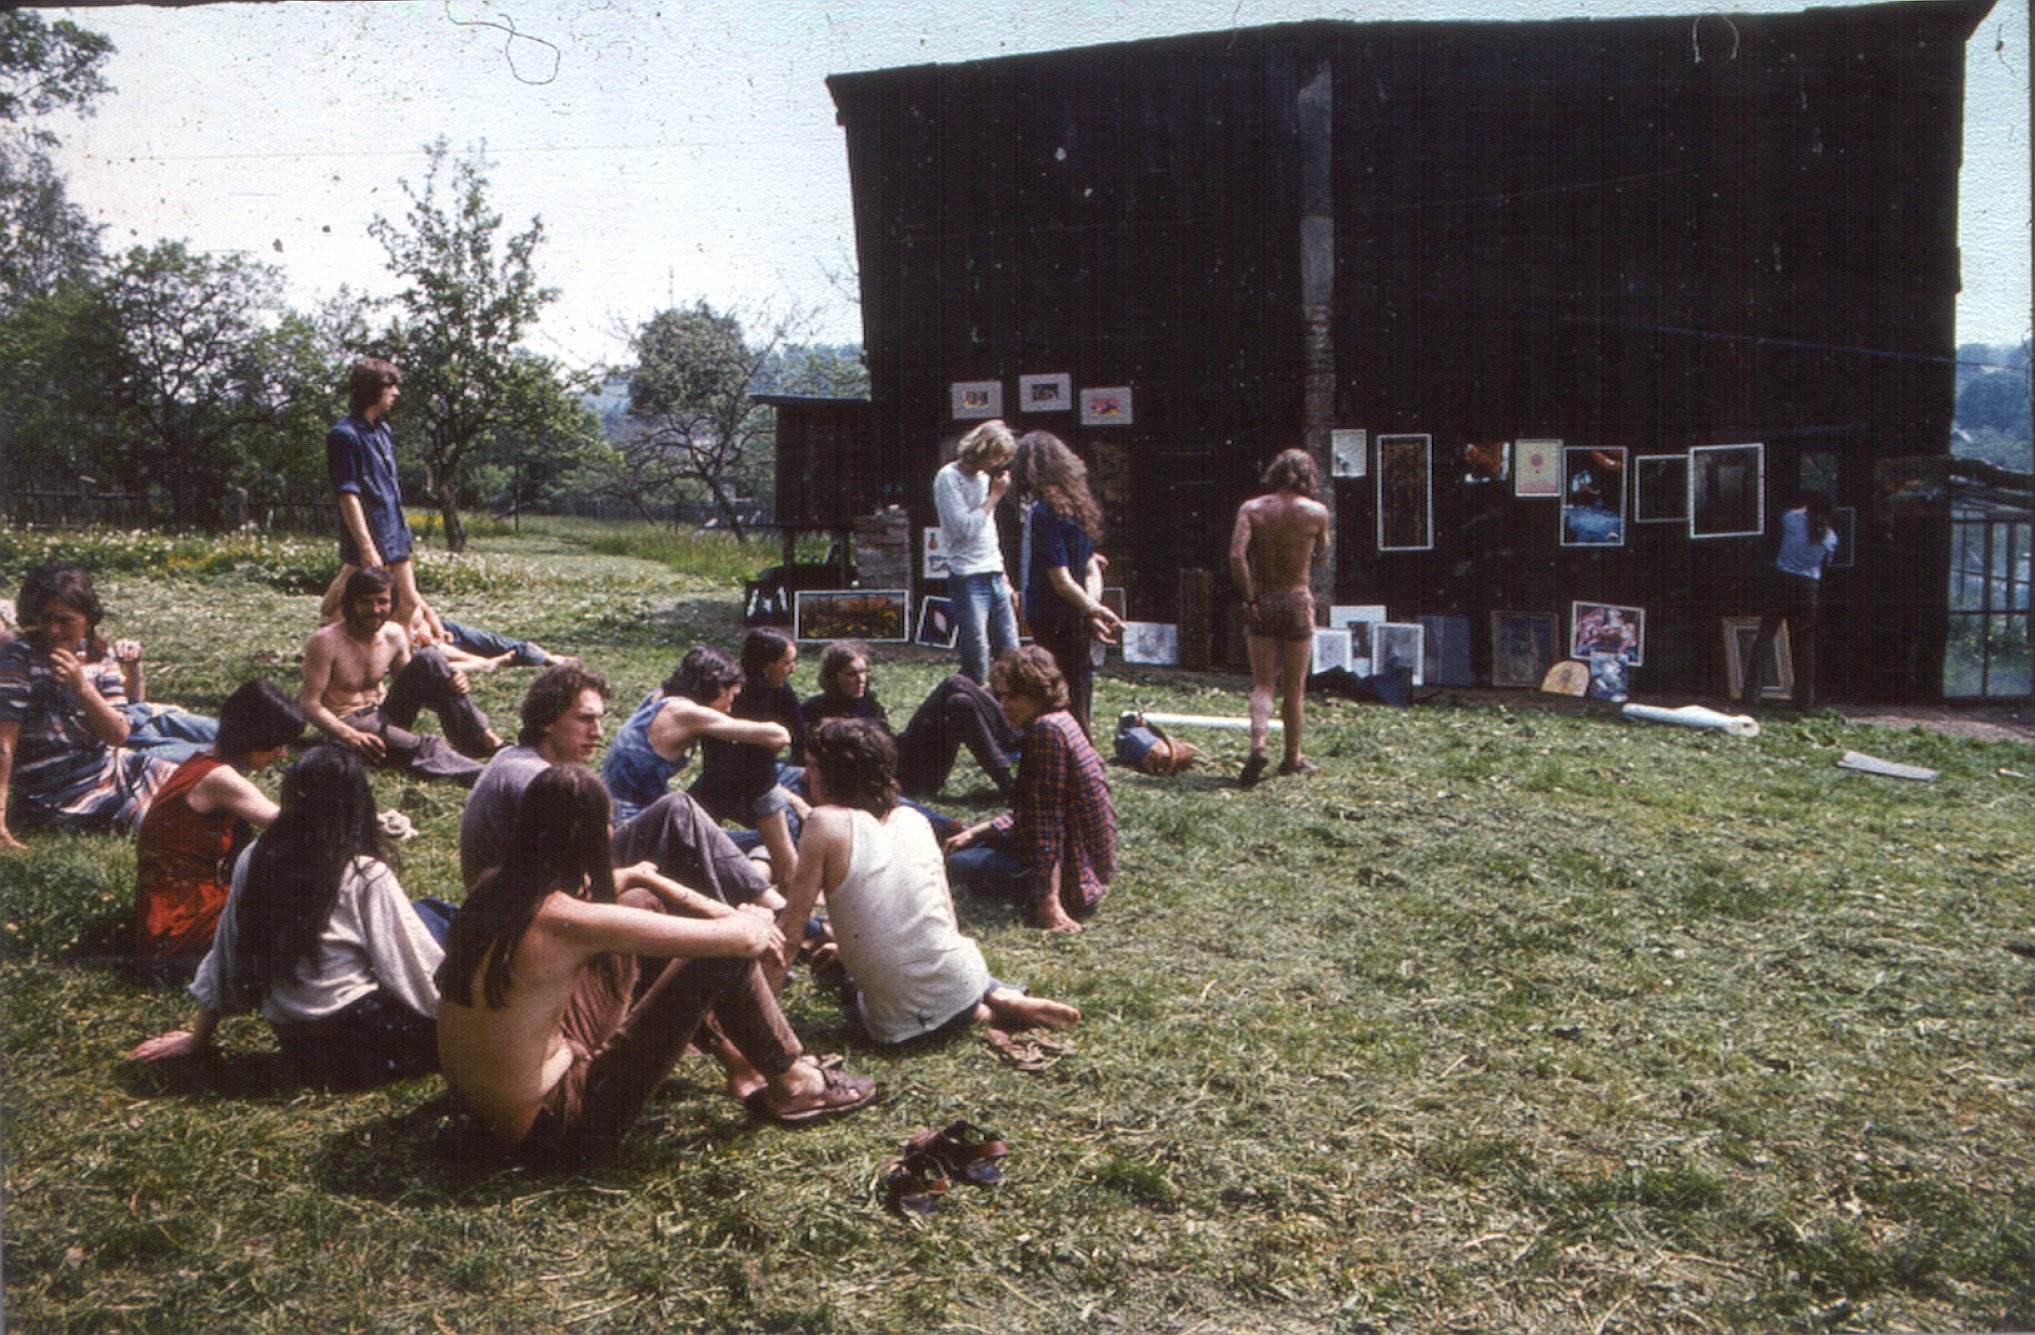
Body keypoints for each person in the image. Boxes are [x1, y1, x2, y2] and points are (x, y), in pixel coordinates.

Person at [436, 764, 879, 1165]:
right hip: (556, 1131)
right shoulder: (568, 921)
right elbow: (742, 940)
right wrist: (752, 919)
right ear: (594, 837)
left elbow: (618, 890)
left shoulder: (494, 890)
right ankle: (796, 1083)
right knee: (720, 957)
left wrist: (648, 877)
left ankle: (741, 1061)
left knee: (639, 901)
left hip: (488, 1114)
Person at [126, 747, 453, 1089]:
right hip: (361, 1042)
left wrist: (198, 1037)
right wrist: (459, 1023)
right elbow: (408, 965)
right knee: (440, 921)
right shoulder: (364, 872)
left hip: (297, 1044)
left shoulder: (256, 857)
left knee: (429, 912)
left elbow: (227, 949)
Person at [777, 718, 1080, 1042]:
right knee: (935, 966)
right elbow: (943, 920)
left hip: (901, 1023)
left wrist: (762, 1017)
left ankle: (988, 1013)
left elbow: (792, 932)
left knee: (846, 983)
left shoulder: (823, 823)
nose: (806, 777)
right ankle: (1002, 997)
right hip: (963, 977)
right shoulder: (914, 819)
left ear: (834, 774)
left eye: (811, 766)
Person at [132, 679, 305, 977]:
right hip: (177, 927)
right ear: (254, 740)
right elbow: (294, 827)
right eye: (276, 745)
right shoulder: (221, 780)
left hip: (161, 913)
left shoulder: (201, 761)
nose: (282, 754)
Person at [0, 563, 179, 849]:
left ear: (87, 619)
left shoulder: (97, 654)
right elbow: (4, 742)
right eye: (44, 619)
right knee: (174, 822)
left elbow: (118, 734)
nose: (53, 630)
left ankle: (273, 829)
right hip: (56, 792)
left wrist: (82, 687)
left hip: (110, 769)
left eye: (65, 620)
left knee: (208, 783)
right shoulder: (19, 657)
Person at [944, 646, 1116, 934]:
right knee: (951, 831)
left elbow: (1047, 826)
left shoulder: (1047, 732)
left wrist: (1049, 902)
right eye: (1001, 696)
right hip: (1083, 861)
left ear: (1038, 693)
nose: (1004, 704)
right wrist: (980, 831)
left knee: (944, 859)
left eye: (1014, 696)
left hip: (1075, 876)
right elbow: (1036, 810)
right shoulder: (1061, 720)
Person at [299, 566, 496, 785]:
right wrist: (348, 735)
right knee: (424, 746)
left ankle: (478, 741)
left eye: (382, 602)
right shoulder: (326, 641)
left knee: (430, 658)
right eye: (366, 602)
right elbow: (309, 704)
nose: (375, 610)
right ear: (351, 603)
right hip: (349, 721)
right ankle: (491, 778)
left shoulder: (393, 634)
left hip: (385, 712)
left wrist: (450, 682)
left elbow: (413, 683)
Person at [318, 357, 443, 639]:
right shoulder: (344, 435)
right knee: (345, 605)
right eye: (391, 386)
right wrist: (366, 547)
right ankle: (340, 648)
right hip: (369, 533)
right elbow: (347, 494)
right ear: (372, 389)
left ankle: (390, 657)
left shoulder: (383, 431)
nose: (396, 393)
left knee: (408, 603)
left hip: (394, 530)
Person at [1228, 448, 1332, 787]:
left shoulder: (1253, 508)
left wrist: (1249, 597)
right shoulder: (1317, 512)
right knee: (1295, 688)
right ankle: (1293, 758)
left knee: (1262, 683)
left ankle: (1258, 745)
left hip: (1263, 599)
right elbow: (1321, 557)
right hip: (1297, 599)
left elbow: (1235, 556)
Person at [1012, 430, 1123, 736]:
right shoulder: (1078, 506)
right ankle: (1083, 745)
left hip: (1050, 613)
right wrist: (1092, 609)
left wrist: (1093, 611)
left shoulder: (1043, 513)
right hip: (1075, 612)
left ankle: (1067, 749)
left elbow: (1060, 580)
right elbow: (1090, 568)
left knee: (1056, 688)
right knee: (1080, 682)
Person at [688, 631, 810, 886]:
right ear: (766, 666)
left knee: (803, 794)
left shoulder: (779, 688)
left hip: (766, 776)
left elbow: (801, 738)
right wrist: (791, 798)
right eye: (787, 663)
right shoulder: (730, 697)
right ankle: (760, 871)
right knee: (792, 825)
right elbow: (725, 767)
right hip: (736, 783)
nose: (793, 669)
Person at [934, 419, 1021, 683]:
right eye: (997, 457)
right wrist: (994, 497)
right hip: (968, 574)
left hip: (993, 570)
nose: (999, 465)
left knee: (1011, 647)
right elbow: (965, 528)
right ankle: (977, 705)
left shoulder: (983, 478)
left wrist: (1004, 574)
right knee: (977, 652)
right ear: (983, 451)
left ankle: (1009, 702)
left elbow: (987, 530)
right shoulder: (949, 478)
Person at [1742, 491, 1839, 710]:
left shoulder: (1793, 520)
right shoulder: (1830, 537)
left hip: (1782, 582)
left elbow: (1790, 513)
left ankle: (1752, 693)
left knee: (1765, 637)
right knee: (1805, 644)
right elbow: (1828, 562)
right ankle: (1804, 699)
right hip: (1808, 588)